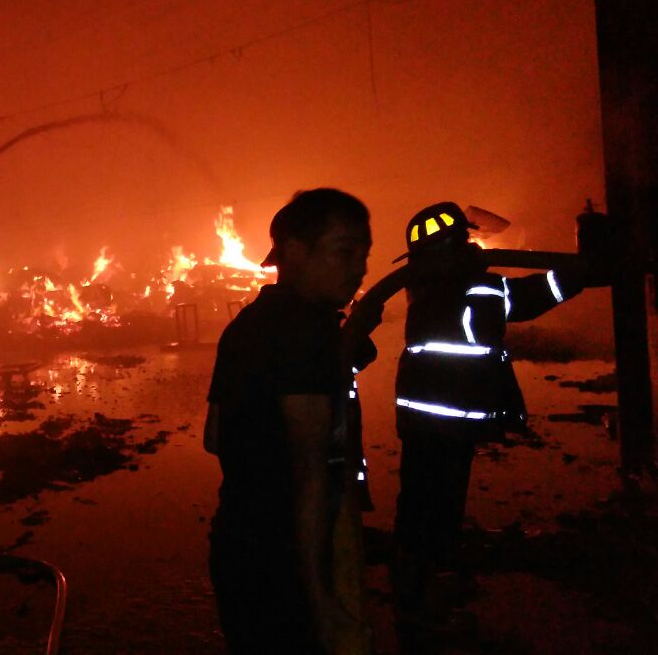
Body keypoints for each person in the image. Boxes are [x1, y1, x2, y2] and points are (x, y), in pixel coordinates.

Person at [390, 202, 589, 640]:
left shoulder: (428, 287)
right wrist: (581, 273)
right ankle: (421, 605)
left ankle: (418, 585)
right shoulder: (475, 288)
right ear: (454, 247)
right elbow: (527, 298)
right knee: (435, 511)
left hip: (428, 421)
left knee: (421, 504)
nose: (475, 246)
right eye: (467, 240)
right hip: (448, 422)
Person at [203, 189, 376, 655]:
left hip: (238, 542)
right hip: (287, 559)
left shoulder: (247, 324)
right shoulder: (304, 333)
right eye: (344, 251)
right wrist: (320, 598)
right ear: (296, 252)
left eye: (364, 253)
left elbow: (214, 438)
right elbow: (310, 474)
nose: (359, 266)